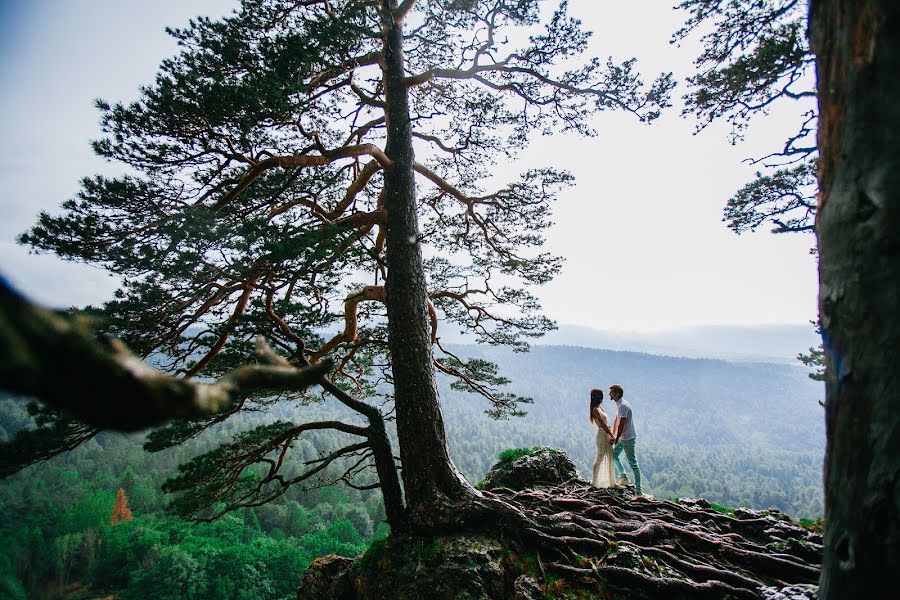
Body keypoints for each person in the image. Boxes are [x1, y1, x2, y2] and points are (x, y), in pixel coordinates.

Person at [610, 384, 643, 495]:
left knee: (633, 463)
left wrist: (616, 438)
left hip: (628, 438)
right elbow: (616, 420)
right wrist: (614, 435)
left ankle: (638, 491)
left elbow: (621, 425)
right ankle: (623, 477)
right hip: (622, 437)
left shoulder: (623, 406)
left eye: (611, 392)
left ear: (617, 394)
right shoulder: (619, 404)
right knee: (613, 455)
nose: (609, 394)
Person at [589, 388, 615, 488]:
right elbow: (603, 424)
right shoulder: (595, 409)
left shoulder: (599, 408)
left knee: (609, 456)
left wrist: (610, 433)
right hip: (602, 434)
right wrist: (611, 434)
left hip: (606, 433)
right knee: (600, 457)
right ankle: (594, 481)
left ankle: (611, 481)